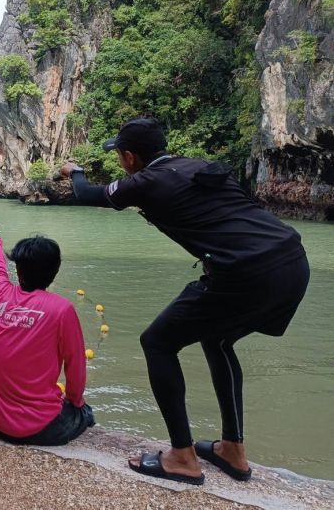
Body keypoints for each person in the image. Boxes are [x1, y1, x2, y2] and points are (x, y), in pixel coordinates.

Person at [59, 117, 310, 485]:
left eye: (119, 155)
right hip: (291, 260)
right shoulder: (197, 165)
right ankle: (233, 450)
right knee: (218, 339)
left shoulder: (146, 181)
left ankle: (182, 457)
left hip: (246, 271)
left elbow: (87, 194)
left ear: (129, 157)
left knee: (157, 342)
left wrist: (75, 171)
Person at [0, 226, 93, 445]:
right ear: (55, 272)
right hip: (40, 427)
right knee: (85, 412)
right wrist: (76, 402)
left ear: (19, 271)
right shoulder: (62, 310)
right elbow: (76, 365)